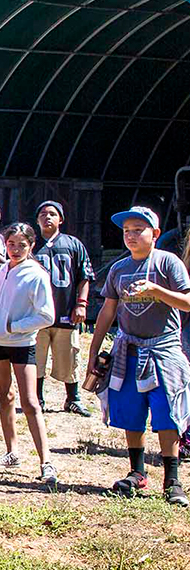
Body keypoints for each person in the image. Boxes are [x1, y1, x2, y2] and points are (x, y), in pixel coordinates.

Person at [88, 206, 190, 506]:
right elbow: (108, 310)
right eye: (126, 231)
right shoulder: (119, 269)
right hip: (128, 351)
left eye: (138, 230)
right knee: (131, 413)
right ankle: (137, 472)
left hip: (163, 350)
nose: (131, 236)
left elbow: (187, 302)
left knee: (166, 413)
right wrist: (94, 351)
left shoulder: (167, 263)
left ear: (155, 234)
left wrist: (157, 290)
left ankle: (172, 480)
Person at [0, 223, 58, 486]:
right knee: (5, 396)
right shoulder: (2, 269)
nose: (15, 249)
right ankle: (11, 452)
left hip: (22, 342)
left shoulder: (36, 274)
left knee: (30, 401)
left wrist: (15, 326)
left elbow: (47, 315)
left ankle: (46, 461)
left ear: (31, 245)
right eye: (11, 244)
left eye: (21, 245)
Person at [33, 200, 94, 416]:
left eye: (52, 213)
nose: (47, 217)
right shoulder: (30, 243)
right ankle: (37, 398)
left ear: (61, 219)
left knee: (69, 357)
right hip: (37, 314)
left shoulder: (73, 244)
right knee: (36, 358)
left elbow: (84, 276)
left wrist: (81, 304)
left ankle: (72, 398)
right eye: (42, 213)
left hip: (66, 311)